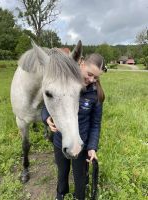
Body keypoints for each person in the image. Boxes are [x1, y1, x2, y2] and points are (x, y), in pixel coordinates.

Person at [41, 53, 107, 200]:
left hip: (80, 143)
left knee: (80, 176)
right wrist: (46, 118)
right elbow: (48, 102)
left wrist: (92, 147)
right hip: (60, 140)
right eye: (90, 74)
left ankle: (79, 196)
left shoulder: (95, 94)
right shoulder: (64, 82)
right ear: (81, 64)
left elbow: (95, 124)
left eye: (96, 77)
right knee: (62, 171)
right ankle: (60, 194)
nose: (91, 80)